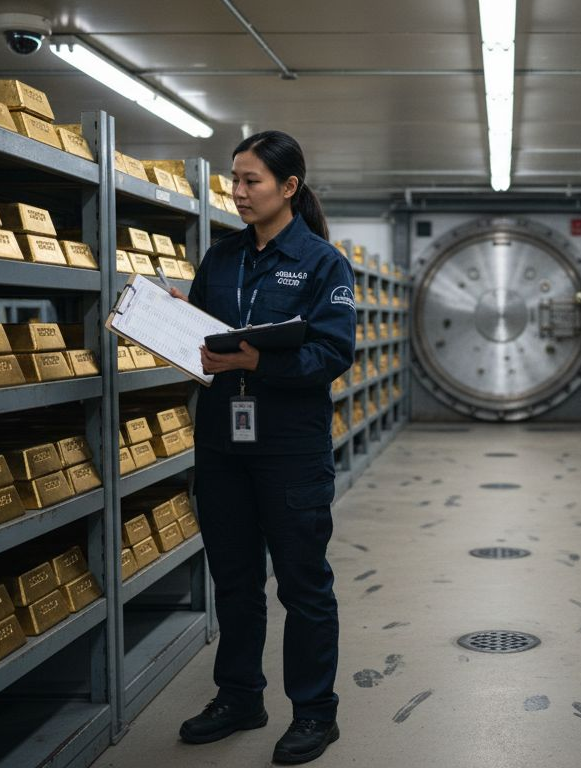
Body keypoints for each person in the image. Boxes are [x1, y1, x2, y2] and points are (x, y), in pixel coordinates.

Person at [169, 130, 355, 764]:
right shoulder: (220, 258)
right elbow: (201, 340)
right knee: (235, 579)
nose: (238, 192)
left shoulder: (324, 263)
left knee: (303, 584)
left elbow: (332, 353)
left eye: (251, 181)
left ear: (289, 188)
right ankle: (240, 695)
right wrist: (174, 320)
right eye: (234, 179)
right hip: (223, 442)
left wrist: (257, 360)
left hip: (289, 447)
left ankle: (314, 711)